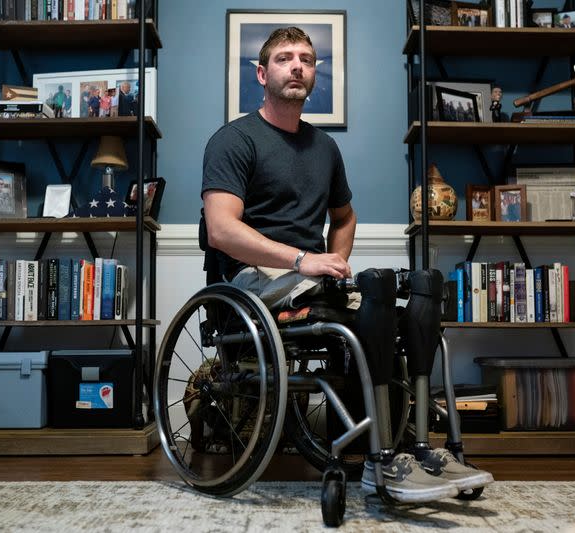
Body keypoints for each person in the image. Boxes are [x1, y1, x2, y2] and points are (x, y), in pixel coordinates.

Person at [202, 26, 491, 503]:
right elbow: (222, 230)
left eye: (307, 59)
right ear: (261, 73)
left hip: (307, 275)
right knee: (369, 292)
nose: (297, 66)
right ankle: (379, 462)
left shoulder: (324, 149)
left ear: (315, 74)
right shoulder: (234, 140)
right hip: (253, 279)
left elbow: (346, 215)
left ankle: (422, 447)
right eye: (284, 58)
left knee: (416, 289)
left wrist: (334, 259)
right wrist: (302, 259)